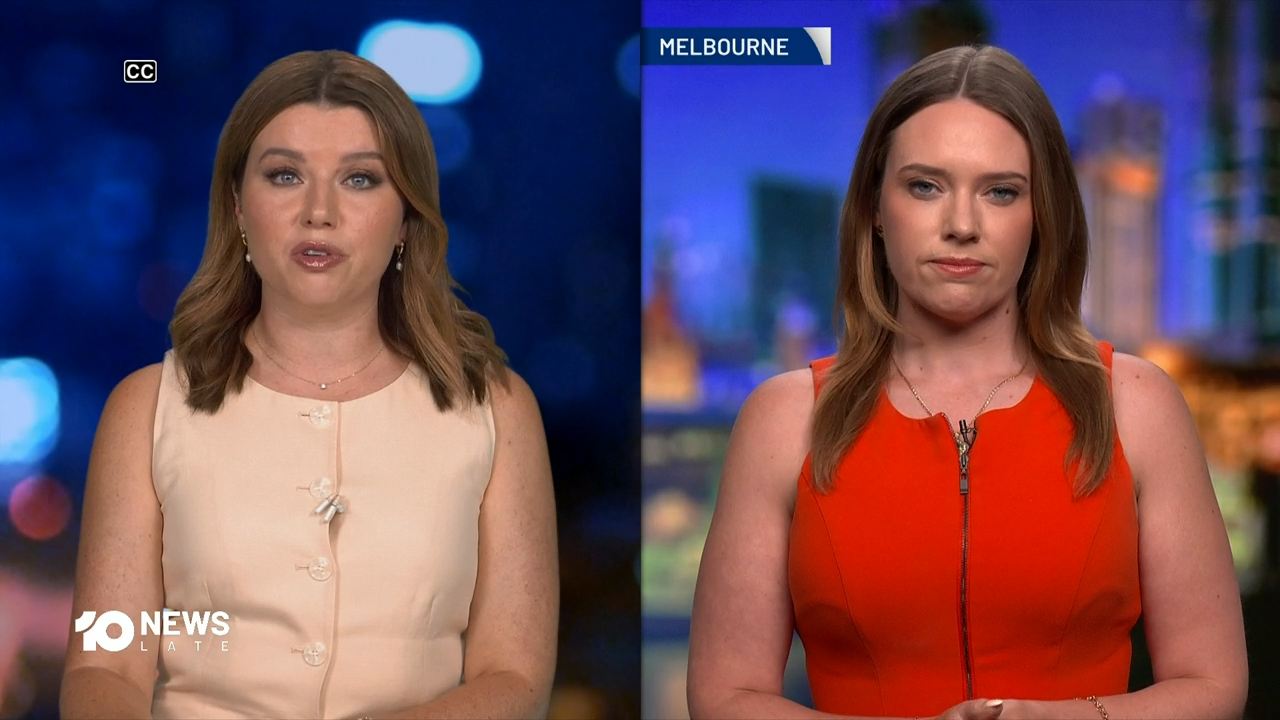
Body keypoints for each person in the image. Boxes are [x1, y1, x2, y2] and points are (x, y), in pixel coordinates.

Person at [687, 45, 1247, 720]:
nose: (961, 226)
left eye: (1000, 191)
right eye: (925, 186)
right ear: (874, 207)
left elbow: (1211, 685)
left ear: (1041, 214)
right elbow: (725, 697)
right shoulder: (783, 420)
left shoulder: (1137, 405)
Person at [60, 49, 558, 719]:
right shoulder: (146, 408)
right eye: (285, 175)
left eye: (360, 179)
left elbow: (515, 678)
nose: (318, 211)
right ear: (237, 206)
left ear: (406, 218)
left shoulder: (496, 409)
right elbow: (105, 662)